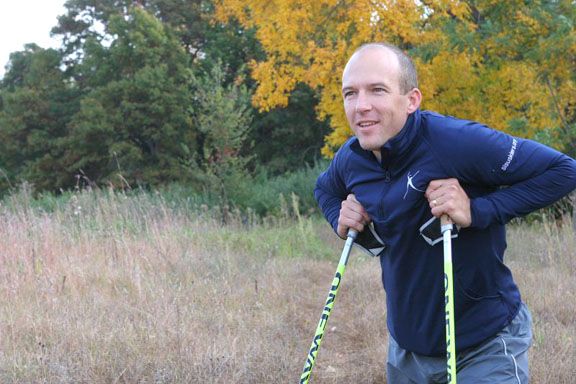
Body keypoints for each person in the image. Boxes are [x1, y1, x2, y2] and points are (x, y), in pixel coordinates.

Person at [314, 42, 576, 383]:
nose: (361, 106)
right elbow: (324, 189)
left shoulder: (456, 141)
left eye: (377, 90)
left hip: (485, 345)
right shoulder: (351, 159)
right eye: (351, 93)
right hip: (407, 351)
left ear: (411, 100)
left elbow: (563, 170)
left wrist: (477, 210)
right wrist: (340, 216)